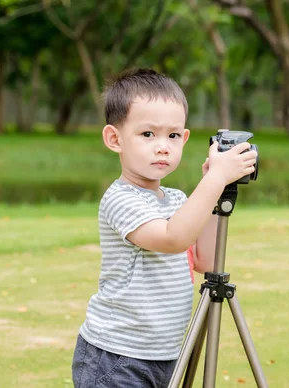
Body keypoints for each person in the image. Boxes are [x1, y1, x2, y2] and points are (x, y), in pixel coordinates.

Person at [71, 68, 257, 388]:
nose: (163, 146)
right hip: (117, 356)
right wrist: (214, 180)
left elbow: (206, 261)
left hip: (166, 353)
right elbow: (172, 239)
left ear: (184, 138)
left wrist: (217, 189)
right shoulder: (120, 199)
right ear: (115, 139)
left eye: (173, 135)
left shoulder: (176, 199)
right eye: (148, 134)